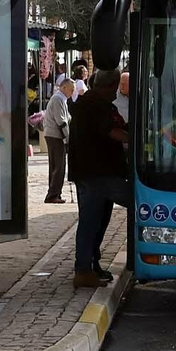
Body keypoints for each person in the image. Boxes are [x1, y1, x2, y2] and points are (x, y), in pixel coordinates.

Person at [69, 69, 129, 288]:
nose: (116, 92)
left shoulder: (98, 104)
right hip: (96, 173)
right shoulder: (92, 106)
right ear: (108, 86)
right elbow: (111, 132)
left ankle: (90, 264)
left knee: (98, 220)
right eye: (114, 87)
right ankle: (83, 269)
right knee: (138, 201)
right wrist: (135, 141)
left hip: (98, 172)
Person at [42, 76, 74, 203]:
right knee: (59, 166)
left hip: (54, 135)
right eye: (71, 90)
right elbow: (62, 122)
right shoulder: (58, 99)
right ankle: (53, 194)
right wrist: (68, 138)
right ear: (64, 87)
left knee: (56, 165)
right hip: (55, 135)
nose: (72, 93)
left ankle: (54, 193)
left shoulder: (62, 99)